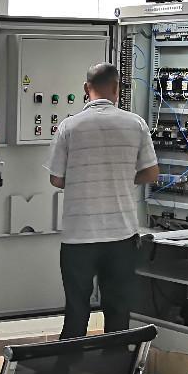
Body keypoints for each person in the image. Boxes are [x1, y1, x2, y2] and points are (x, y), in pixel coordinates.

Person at [48, 62, 158, 340]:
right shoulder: (136, 124)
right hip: (121, 236)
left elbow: (56, 179)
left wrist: (83, 179)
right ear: (117, 88)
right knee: (118, 310)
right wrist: (121, 179)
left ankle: (70, 365)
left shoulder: (69, 126)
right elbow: (151, 173)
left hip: (78, 238)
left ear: (86, 89)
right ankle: (116, 364)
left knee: (76, 311)